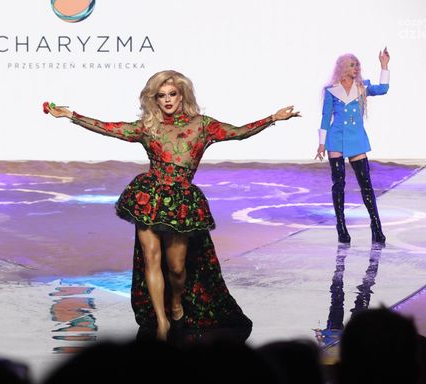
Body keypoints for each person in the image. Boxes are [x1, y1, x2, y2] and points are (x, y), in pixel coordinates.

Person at [47, 70, 299, 341]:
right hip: (149, 197)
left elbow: (238, 133)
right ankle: (162, 322)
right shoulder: (149, 126)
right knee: (151, 259)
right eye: (161, 95)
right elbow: (110, 128)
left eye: (172, 94)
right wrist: (71, 115)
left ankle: (176, 302)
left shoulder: (202, 125)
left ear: (182, 96)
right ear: (154, 99)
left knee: (177, 267)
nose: (167, 100)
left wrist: (272, 118)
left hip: (181, 203)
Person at [316, 48, 390, 244]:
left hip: (356, 138)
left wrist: (384, 65)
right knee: (338, 184)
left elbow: (383, 89)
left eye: (357, 65)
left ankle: (376, 225)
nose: (356, 68)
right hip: (336, 138)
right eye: (352, 65)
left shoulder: (363, 87)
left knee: (366, 183)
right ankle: (341, 226)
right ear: (342, 68)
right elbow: (326, 117)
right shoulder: (331, 90)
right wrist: (321, 144)